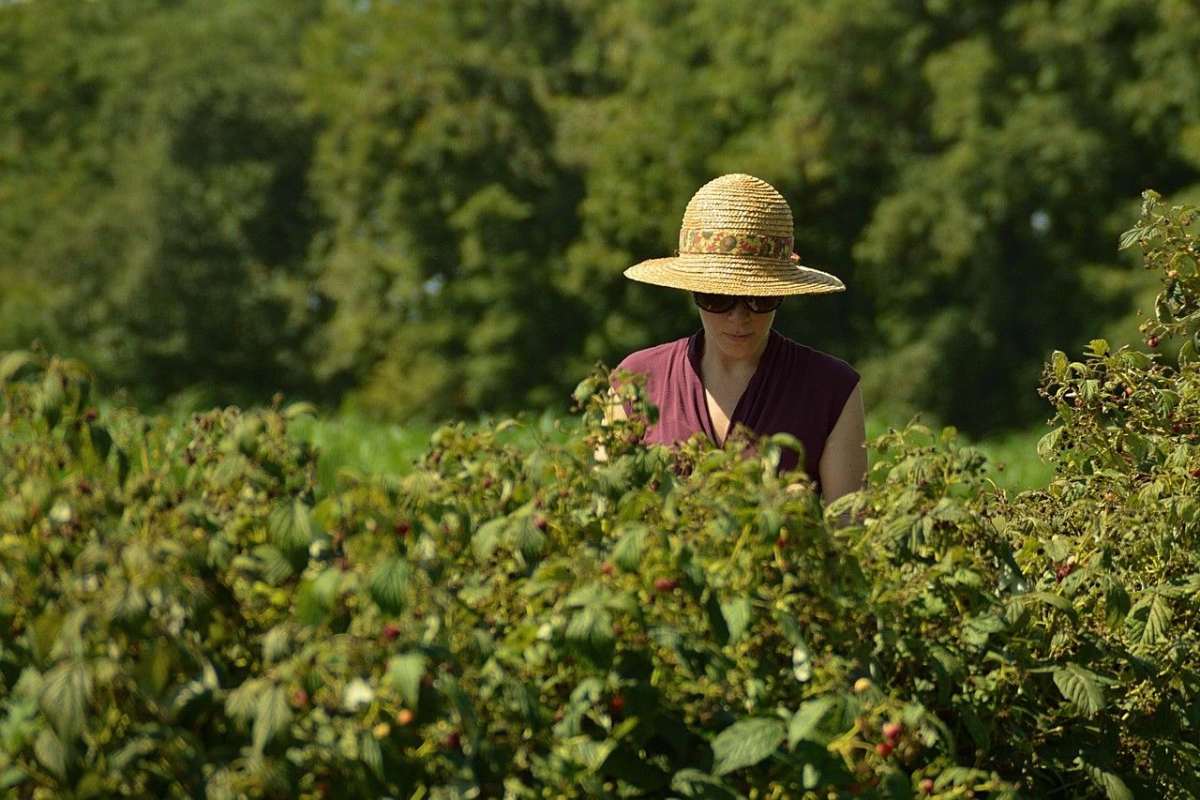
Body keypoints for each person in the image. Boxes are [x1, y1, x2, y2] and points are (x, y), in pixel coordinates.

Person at [609, 173, 867, 505]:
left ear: (781, 293)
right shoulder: (637, 380)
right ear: (692, 290)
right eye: (717, 298)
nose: (738, 317)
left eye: (759, 300)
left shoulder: (830, 388)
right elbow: (610, 518)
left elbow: (848, 529)